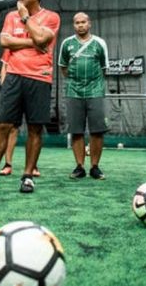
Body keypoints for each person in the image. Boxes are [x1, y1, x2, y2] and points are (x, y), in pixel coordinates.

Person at [0, 0, 60, 193]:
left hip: (39, 78)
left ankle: (28, 176)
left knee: (34, 128)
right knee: (3, 125)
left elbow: (43, 36)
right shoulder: (10, 16)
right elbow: (5, 42)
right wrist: (34, 42)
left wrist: (26, 17)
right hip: (13, 75)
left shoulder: (51, 17)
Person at [58, 12, 109, 180]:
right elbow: (63, 67)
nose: (80, 25)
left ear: (89, 24)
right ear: (74, 25)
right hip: (74, 91)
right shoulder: (66, 44)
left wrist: (93, 83)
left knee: (97, 131)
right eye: (77, 22)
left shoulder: (100, 43)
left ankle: (95, 167)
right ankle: (79, 167)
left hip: (95, 91)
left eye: (83, 22)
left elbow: (104, 68)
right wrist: (76, 80)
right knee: (76, 131)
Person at [0, 50, 39, 178]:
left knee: (34, 127)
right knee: (11, 128)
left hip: (34, 86)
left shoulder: (40, 42)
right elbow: (4, 66)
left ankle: (33, 166)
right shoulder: (12, 45)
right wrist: (5, 87)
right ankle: (8, 164)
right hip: (13, 87)